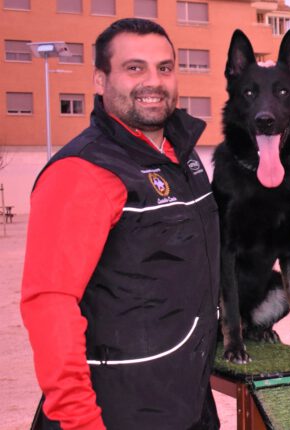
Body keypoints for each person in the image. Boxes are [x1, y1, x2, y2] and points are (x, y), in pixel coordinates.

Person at [20, 18, 220, 430]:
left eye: (164, 68)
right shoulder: (83, 171)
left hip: (185, 403)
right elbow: (50, 307)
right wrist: (80, 421)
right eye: (134, 68)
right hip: (114, 413)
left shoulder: (182, 154)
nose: (154, 81)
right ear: (99, 79)